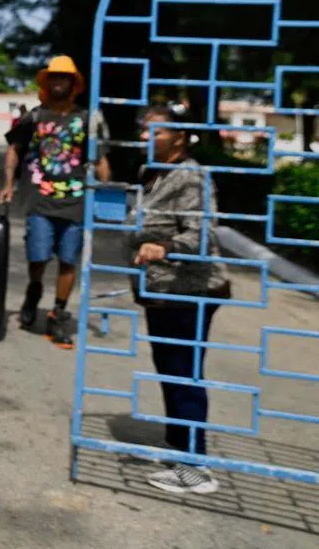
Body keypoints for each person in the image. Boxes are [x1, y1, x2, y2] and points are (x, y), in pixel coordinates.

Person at [129, 104, 229, 496]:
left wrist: (164, 246)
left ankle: (196, 467)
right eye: (143, 130)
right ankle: (178, 448)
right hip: (162, 290)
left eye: (153, 131)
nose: (143, 137)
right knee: (169, 368)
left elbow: (203, 234)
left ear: (180, 138)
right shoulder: (153, 171)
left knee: (185, 373)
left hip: (190, 290)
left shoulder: (190, 176)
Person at [0, 55, 111, 348]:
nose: (59, 82)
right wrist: (8, 183)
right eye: (54, 77)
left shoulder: (88, 120)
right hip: (40, 198)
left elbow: (100, 159)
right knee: (38, 257)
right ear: (47, 83)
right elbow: (14, 148)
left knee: (68, 260)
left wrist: (107, 189)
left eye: (65, 78)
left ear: (74, 84)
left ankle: (58, 313)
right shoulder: (34, 117)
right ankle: (34, 289)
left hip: (76, 201)